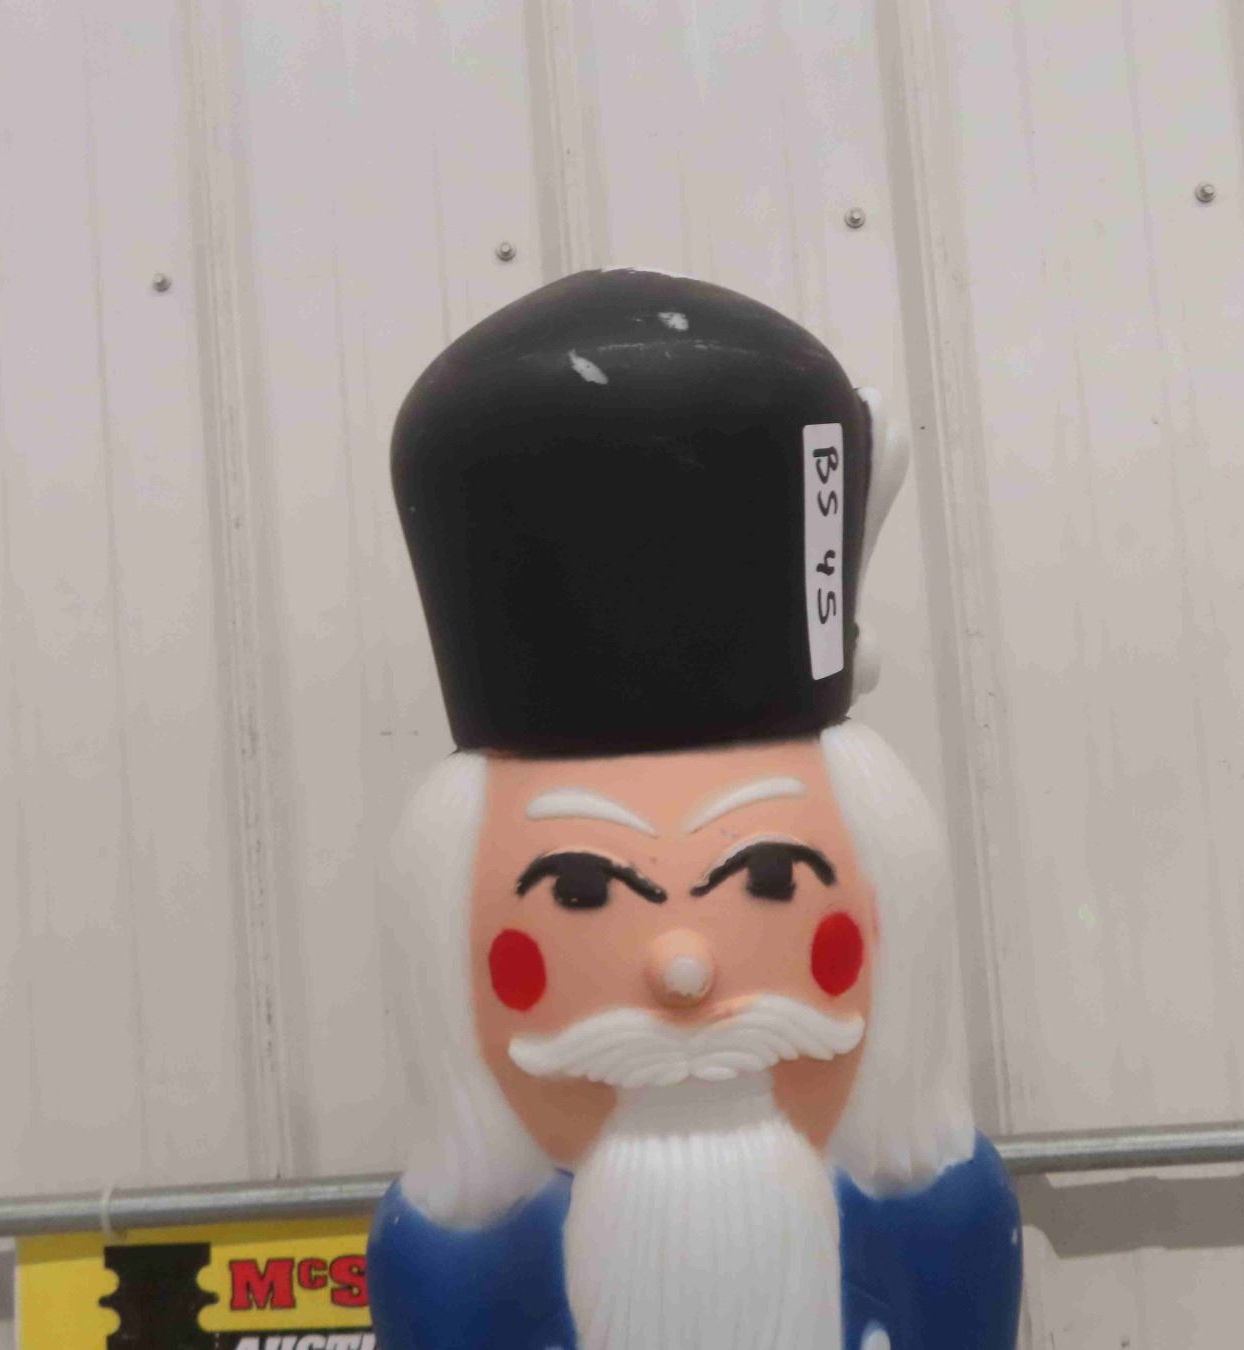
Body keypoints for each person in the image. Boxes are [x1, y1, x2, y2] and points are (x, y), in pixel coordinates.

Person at [368, 270, 1021, 1350]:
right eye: (582, 892)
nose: (683, 968)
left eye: (767, 878)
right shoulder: (453, 1262)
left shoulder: (944, 1221)